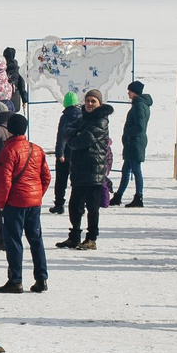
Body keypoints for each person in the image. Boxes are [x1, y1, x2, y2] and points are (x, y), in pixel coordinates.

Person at [0, 114, 49, 295]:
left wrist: (0, 203)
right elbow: (46, 177)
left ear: (9, 129)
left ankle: (15, 280)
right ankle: (41, 278)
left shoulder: (8, 151)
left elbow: (4, 181)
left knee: (14, 241)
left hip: (15, 202)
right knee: (36, 240)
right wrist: (37, 194)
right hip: (33, 201)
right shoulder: (36, 149)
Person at [60, 90, 112, 251]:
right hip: (79, 170)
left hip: (94, 170)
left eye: (93, 101)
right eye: (88, 101)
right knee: (75, 205)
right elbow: (66, 132)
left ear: (99, 104)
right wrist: (75, 133)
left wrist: (75, 136)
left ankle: (91, 238)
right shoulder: (83, 119)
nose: (89, 104)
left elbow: (82, 141)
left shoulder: (101, 121)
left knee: (92, 207)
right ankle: (74, 235)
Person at [113, 80, 151, 208]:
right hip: (133, 142)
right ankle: (118, 196)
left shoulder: (139, 106)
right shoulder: (139, 104)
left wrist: (128, 133)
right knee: (126, 170)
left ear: (134, 92)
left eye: (129, 91)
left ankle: (138, 197)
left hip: (135, 142)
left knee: (136, 170)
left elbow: (140, 126)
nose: (128, 93)